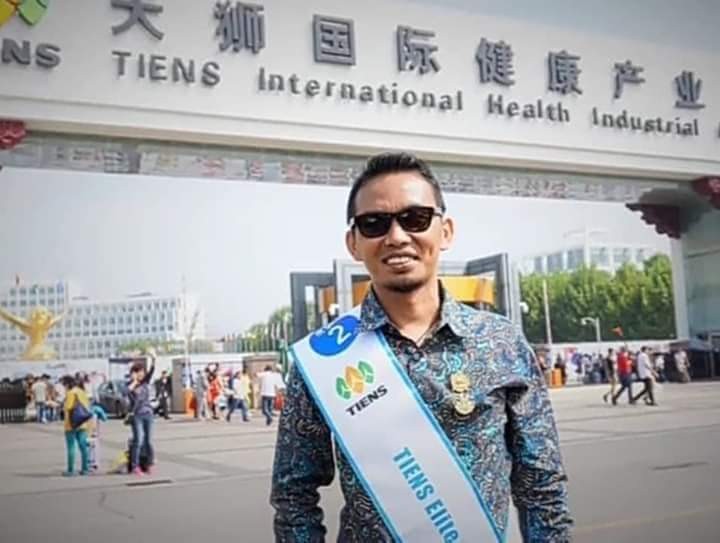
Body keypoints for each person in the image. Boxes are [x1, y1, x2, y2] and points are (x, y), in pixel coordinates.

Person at [271, 152, 572, 542]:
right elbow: (293, 495)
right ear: (353, 243)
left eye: (415, 219)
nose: (396, 237)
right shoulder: (323, 360)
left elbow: (542, 485)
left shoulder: (502, 342)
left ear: (445, 231)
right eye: (374, 223)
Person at [127, 349, 156, 475]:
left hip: (148, 414)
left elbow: (152, 370)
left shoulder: (145, 382)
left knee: (148, 441)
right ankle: (135, 465)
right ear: (134, 373)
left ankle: (149, 463)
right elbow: (126, 392)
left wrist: (153, 358)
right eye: (139, 372)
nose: (141, 374)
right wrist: (134, 381)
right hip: (137, 416)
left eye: (143, 372)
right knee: (138, 440)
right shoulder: (131, 385)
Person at [61, 375, 91, 476]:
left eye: (64, 385)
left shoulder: (70, 393)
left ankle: (70, 470)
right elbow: (87, 406)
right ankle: (85, 469)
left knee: (71, 447)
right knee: (83, 447)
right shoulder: (82, 392)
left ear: (67, 384)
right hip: (82, 423)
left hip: (71, 424)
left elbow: (68, 407)